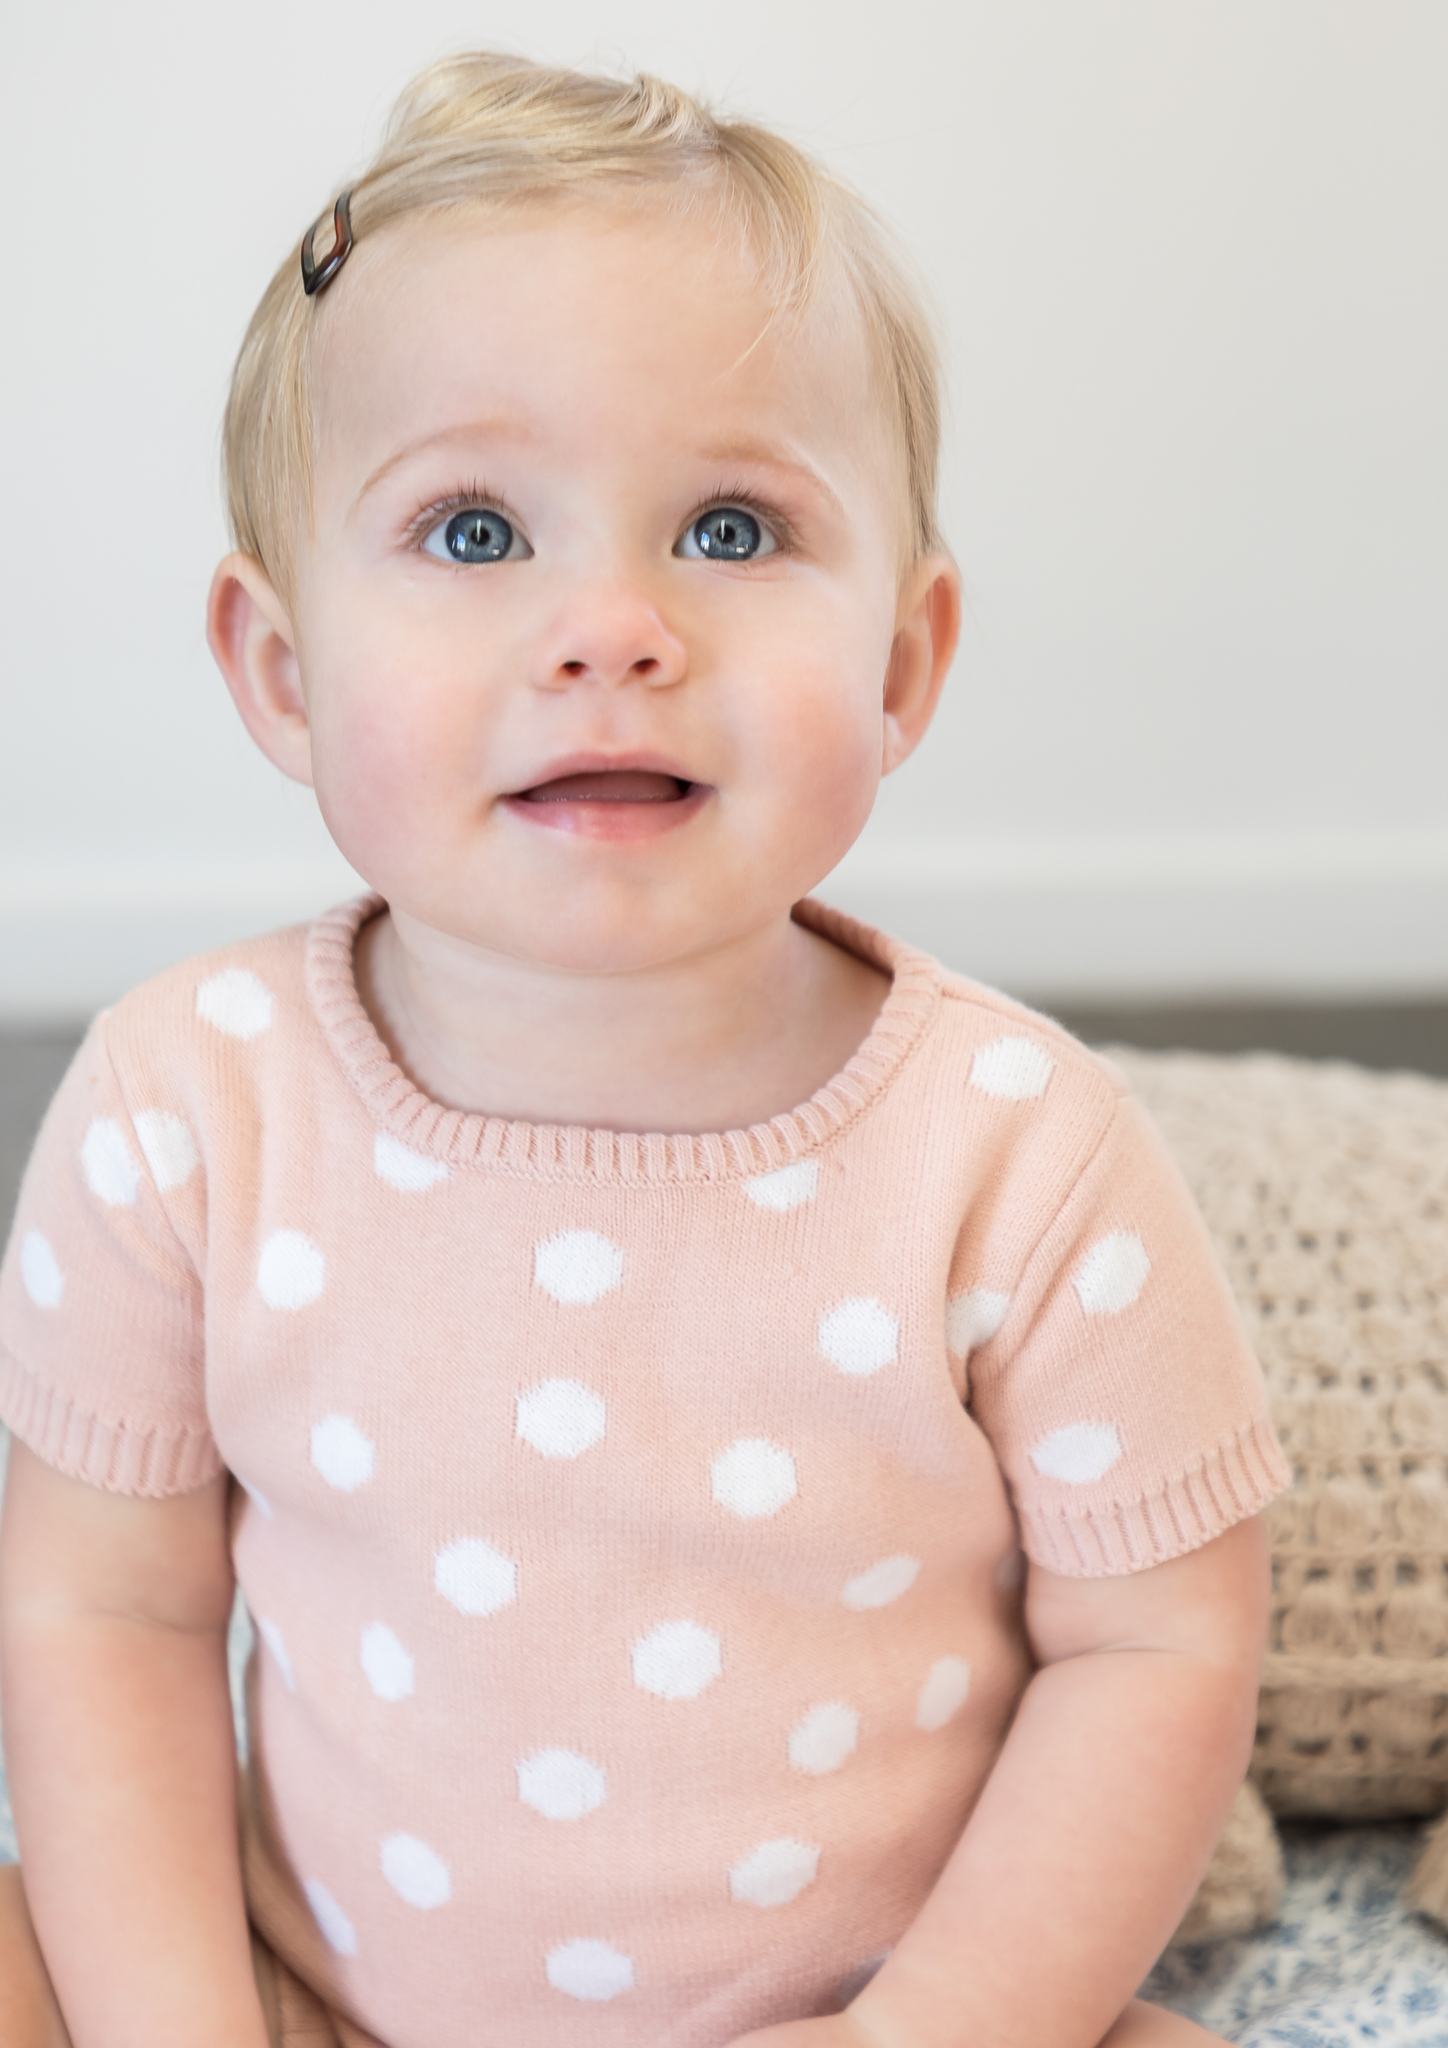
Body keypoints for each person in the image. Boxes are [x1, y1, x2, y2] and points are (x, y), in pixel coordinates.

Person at [0, 49, 1286, 2048]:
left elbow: (1158, 1642)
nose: (610, 626)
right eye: (473, 533)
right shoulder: (187, 1104)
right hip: (304, 1997)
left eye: (730, 526)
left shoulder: (1019, 1152)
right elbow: (108, 1605)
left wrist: (927, 2030)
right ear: (279, 665)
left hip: (875, 2008)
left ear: (902, 663)